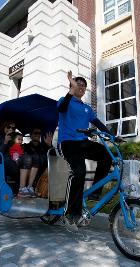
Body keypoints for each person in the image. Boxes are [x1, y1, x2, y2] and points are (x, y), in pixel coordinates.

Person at [57, 70, 123, 231]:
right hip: (67, 143)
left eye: (83, 86)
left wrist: (112, 136)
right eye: (78, 85)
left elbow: (98, 124)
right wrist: (71, 89)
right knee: (79, 171)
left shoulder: (86, 108)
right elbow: (62, 107)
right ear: (72, 86)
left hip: (82, 142)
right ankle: (69, 214)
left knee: (106, 156)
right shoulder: (65, 101)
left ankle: (94, 193)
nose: (81, 87)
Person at [18, 128, 53, 197]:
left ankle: (30, 188)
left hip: (41, 173)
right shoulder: (25, 146)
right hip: (27, 171)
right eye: (35, 133)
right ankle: (24, 188)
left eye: (39, 133)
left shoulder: (44, 146)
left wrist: (49, 145)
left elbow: (53, 157)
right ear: (31, 135)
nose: (38, 135)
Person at [0, 120, 19, 192]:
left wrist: (17, 159)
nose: (11, 129)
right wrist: (5, 142)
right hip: (2, 163)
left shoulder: (12, 140)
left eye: (13, 128)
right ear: (4, 127)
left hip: (12, 163)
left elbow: (15, 153)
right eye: (8, 127)